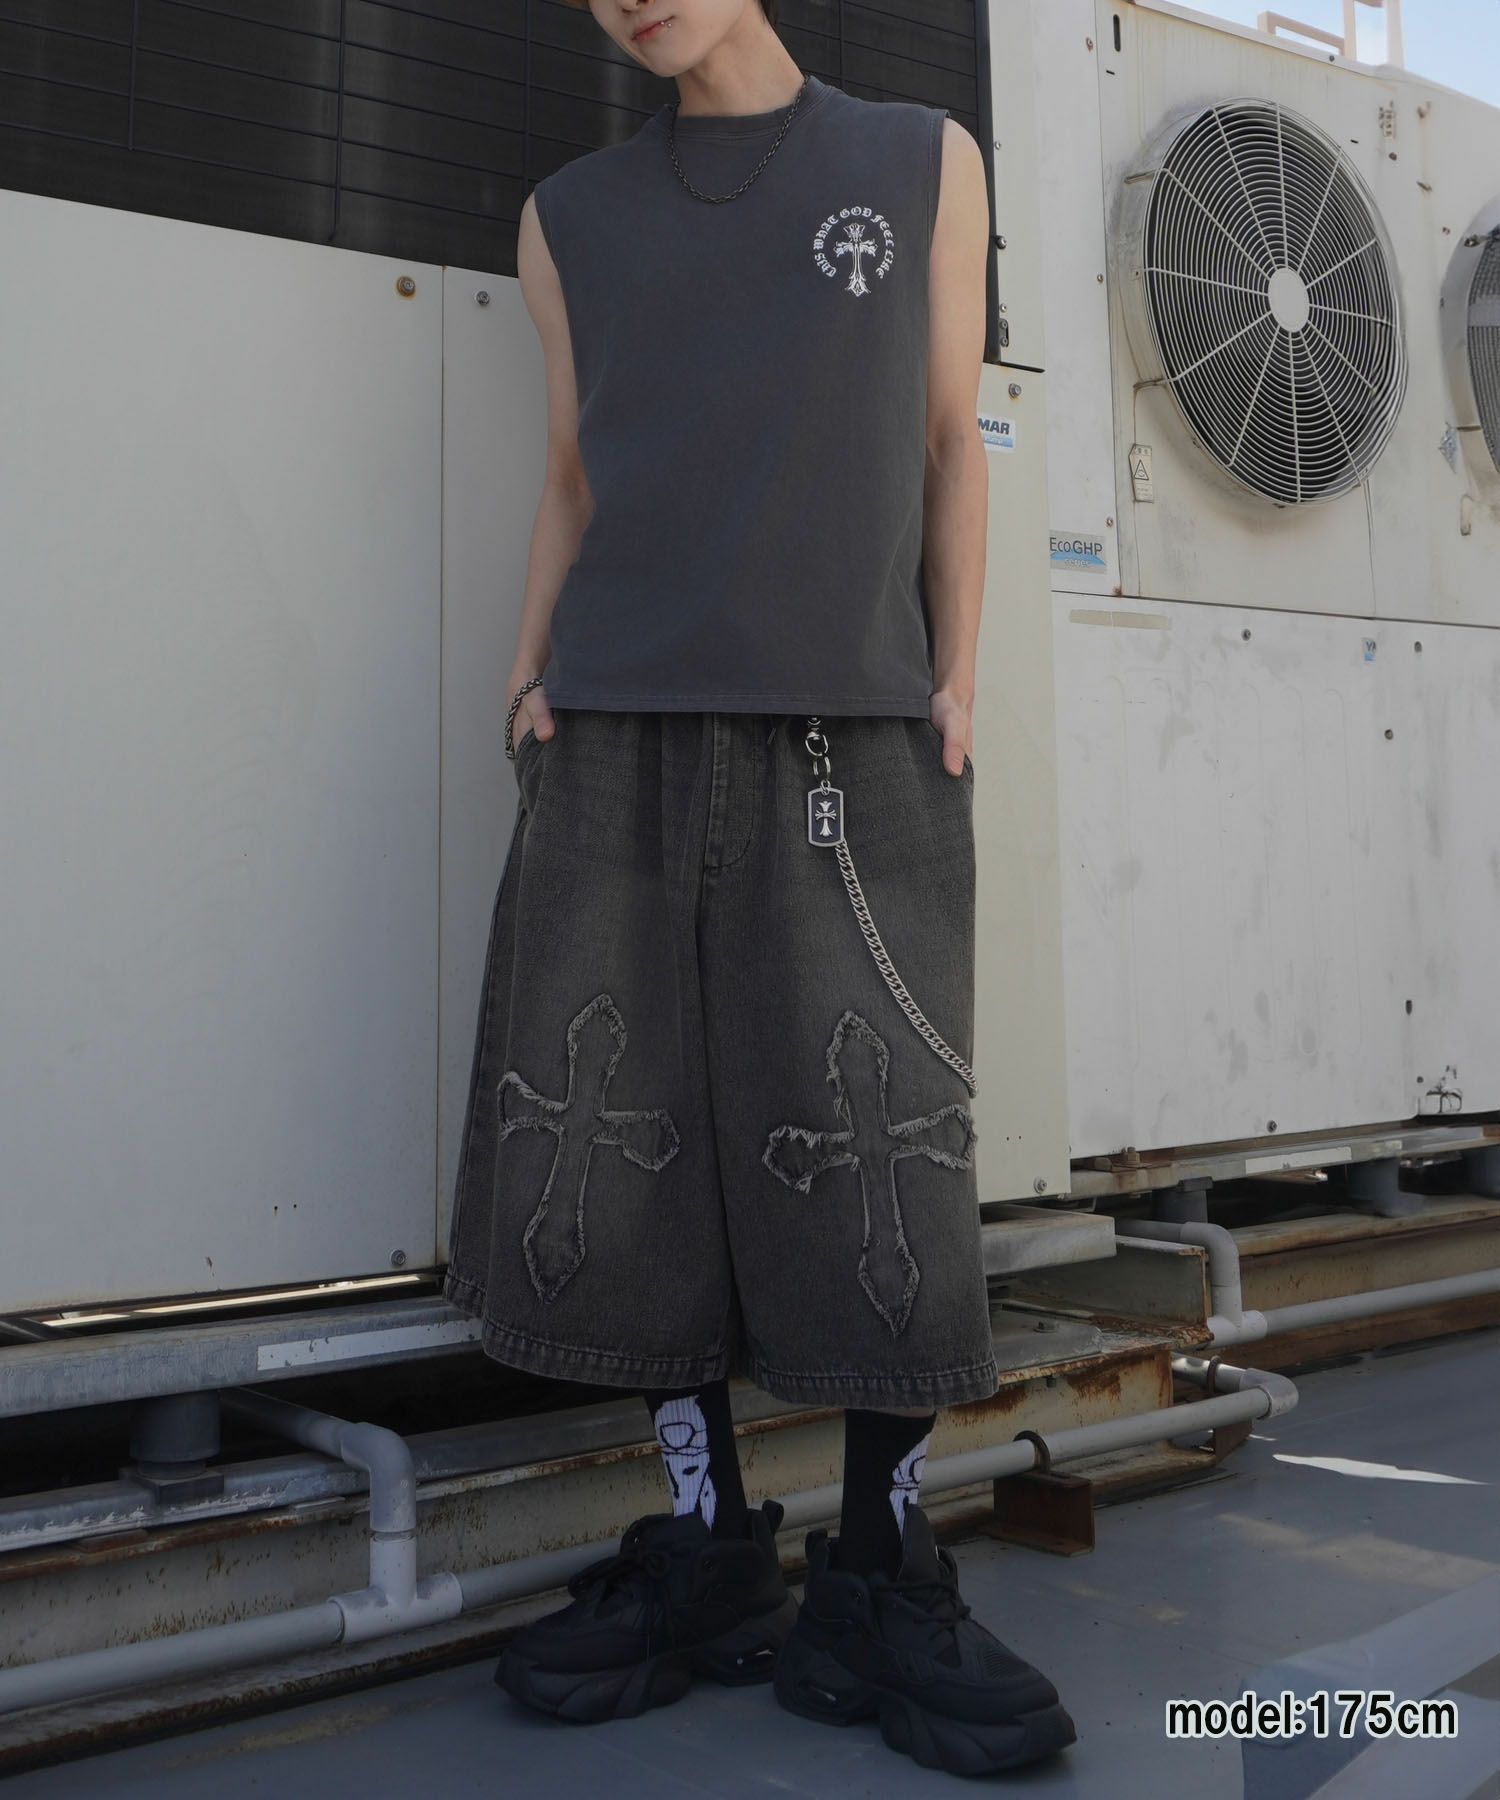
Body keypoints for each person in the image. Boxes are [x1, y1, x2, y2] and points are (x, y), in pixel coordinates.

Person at [443, 0, 1076, 1775]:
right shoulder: (568, 216)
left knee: (880, 1147)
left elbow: (948, 439)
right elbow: (575, 476)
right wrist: (525, 684)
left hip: (847, 738)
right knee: (625, 1139)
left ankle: (878, 1566)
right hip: (615, 734)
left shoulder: (919, 160)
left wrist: (954, 685)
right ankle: (714, 1541)